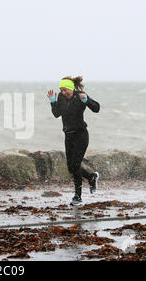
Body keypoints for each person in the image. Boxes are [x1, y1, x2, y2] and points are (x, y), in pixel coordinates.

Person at [47, 76, 100, 206]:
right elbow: (56, 114)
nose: (64, 93)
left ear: (71, 88)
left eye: (66, 90)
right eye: (62, 90)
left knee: (75, 166)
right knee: (71, 168)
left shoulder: (80, 95)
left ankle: (78, 196)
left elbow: (96, 108)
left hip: (81, 135)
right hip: (68, 136)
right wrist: (53, 102)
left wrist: (86, 101)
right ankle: (91, 177)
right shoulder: (61, 97)